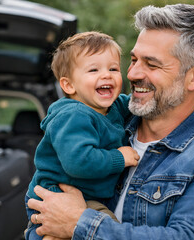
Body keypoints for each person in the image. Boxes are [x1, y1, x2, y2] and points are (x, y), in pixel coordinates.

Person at [27, 4, 194, 240]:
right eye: (134, 60)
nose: (132, 74)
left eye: (151, 64)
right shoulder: (108, 118)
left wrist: (79, 223)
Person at [25, 31, 140, 239]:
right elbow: (79, 161)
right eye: (93, 70)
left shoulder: (112, 107)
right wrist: (119, 158)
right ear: (69, 85)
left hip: (87, 195)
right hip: (57, 194)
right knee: (105, 227)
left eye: (113, 68)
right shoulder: (73, 115)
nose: (106, 75)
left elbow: (135, 102)